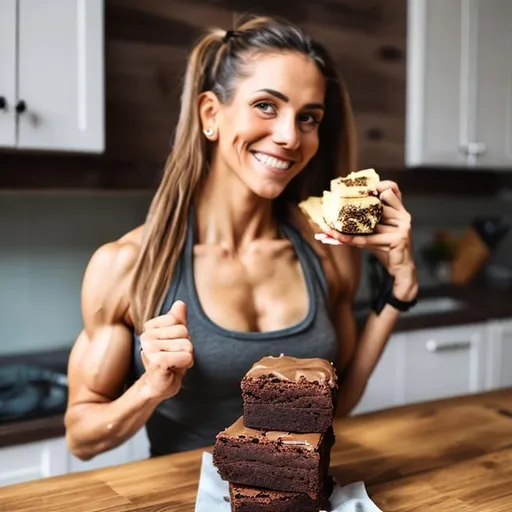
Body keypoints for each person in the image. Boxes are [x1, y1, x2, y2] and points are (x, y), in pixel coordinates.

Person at [64, 15, 417, 460]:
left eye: (308, 117)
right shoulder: (127, 265)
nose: (290, 136)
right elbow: (81, 438)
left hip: (295, 496)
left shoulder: (325, 252)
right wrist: (150, 388)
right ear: (211, 114)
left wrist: (398, 293)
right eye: (266, 106)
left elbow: (337, 408)